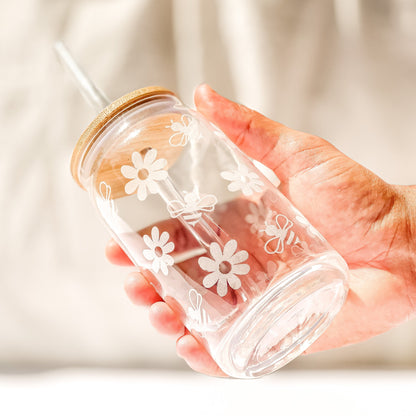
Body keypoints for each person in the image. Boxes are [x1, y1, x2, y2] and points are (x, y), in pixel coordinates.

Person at [105, 84, 416, 377]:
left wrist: (401, 230)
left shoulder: (182, 122)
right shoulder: (107, 178)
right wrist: (402, 239)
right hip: (255, 327)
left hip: (323, 280)